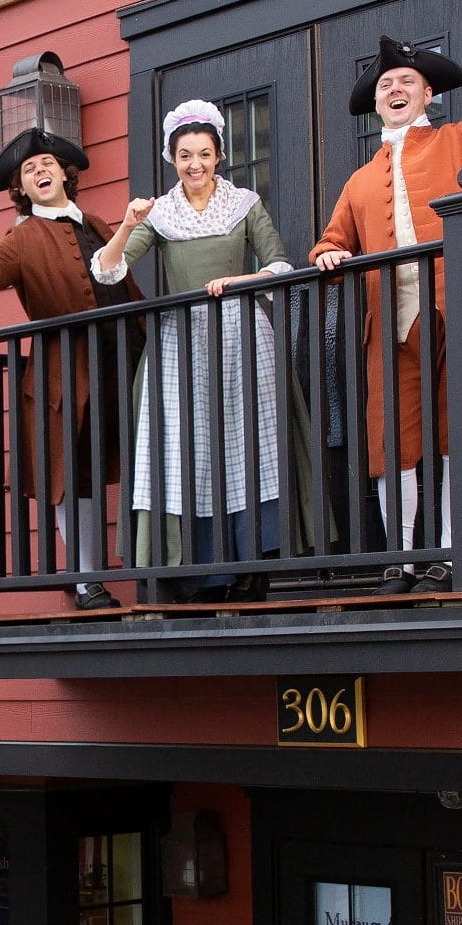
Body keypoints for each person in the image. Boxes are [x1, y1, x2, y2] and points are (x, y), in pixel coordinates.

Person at [313, 0, 462, 591]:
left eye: (406, 80)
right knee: (393, 447)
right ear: (375, 102)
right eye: (386, 84)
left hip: (459, 312)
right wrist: (328, 256)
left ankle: (447, 556)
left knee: (460, 435)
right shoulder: (358, 180)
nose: (396, 89)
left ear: (428, 93)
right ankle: (401, 560)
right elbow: (331, 243)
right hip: (393, 326)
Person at [90, 99, 317, 600]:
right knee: (185, 449)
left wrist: (235, 282)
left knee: (248, 446)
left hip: (242, 338)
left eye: (205, 154)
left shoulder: (245, 204)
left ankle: (253, 569)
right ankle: (195, 574)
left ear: (219, 156)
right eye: (186, 155)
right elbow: (107, 269)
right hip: (179, 345)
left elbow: (279, 265)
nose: (196, 164)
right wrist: (128, 223)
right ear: (173, 159)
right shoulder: (161, 214)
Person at [0, 126, 140, 609]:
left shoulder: (97, 222)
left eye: (47, 164)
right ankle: (85, 580)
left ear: (64, 174)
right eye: (29, 170)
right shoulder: (22, 238)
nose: (40, 171)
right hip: (64, 374)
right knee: (73, 476)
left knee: (126, 465)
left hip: (123, 360)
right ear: (21, 188)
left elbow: (126, 288)